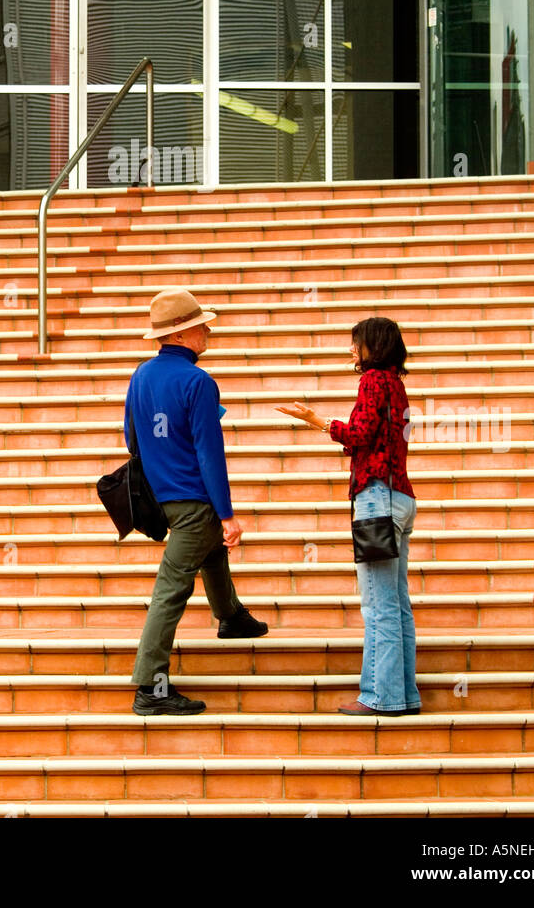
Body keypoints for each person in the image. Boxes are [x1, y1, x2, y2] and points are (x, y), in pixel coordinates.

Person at [127, 287, 268, 716]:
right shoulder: (198, 382)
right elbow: (210, 453)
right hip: (193, 498)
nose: (207, 331)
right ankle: (150, 686)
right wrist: (227, 515)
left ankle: (231, 616)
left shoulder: (140, 376)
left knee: (209, 553)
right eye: (201, 326)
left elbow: (132, 440)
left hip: (161, 495)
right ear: (182, 334)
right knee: (171, 588)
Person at [277, 316, 420, 716]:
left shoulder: (373, 381)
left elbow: (358, 434)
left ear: (373, 345)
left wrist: (316, 421)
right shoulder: (397, 384)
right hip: (400, 498)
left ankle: (380, 697)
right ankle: (403, 695)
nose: (351, 351)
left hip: (376, 498)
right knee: (397, 602)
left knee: (378, 605)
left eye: (356, 344)